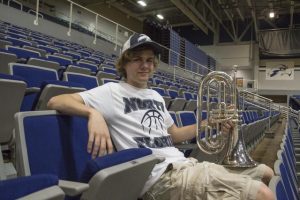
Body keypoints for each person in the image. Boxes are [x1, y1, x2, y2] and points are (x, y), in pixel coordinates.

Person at [47, 33, 275, 200]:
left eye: (149, 60)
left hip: (185, 165)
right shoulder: (110, 91)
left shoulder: (155, 95)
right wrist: (92, 113)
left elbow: (173, 135)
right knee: (263, 194)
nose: (144, 65)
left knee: (266, 173)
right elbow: (56, 101)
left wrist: (208, 123)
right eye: (137, 59)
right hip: (159, 179)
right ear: (124, 63)